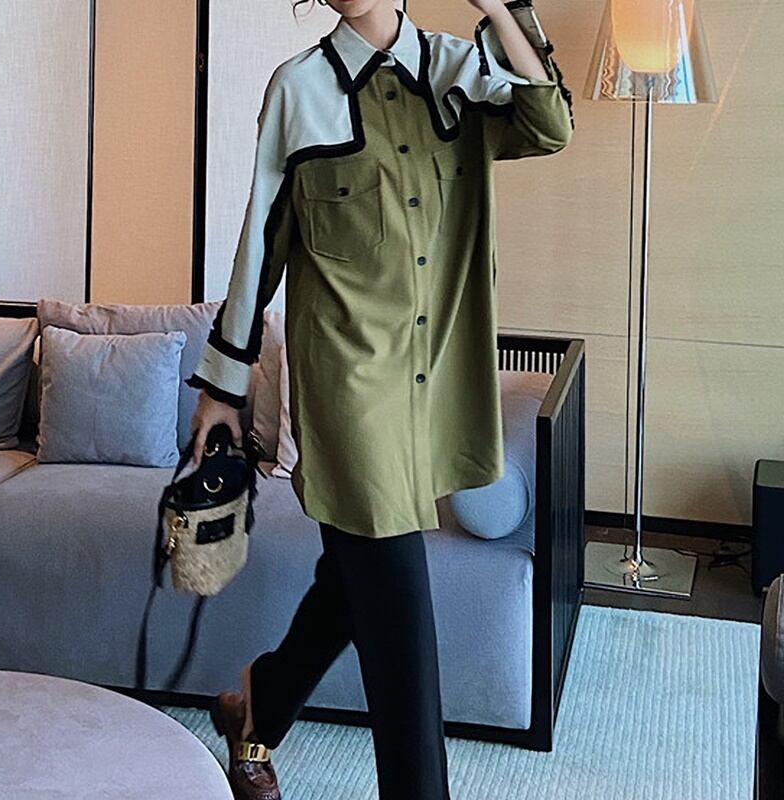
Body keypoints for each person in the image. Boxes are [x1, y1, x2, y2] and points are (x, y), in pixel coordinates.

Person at [186, 0, 573, 797]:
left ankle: (257, 706)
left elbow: (550, 125)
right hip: (348, 394)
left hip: (431, 389)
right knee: (399, 623)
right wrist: (224, 383)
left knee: (352, 584)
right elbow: (262, 237)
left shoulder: (461, 71)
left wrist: (500, 8)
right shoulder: (298, 89)